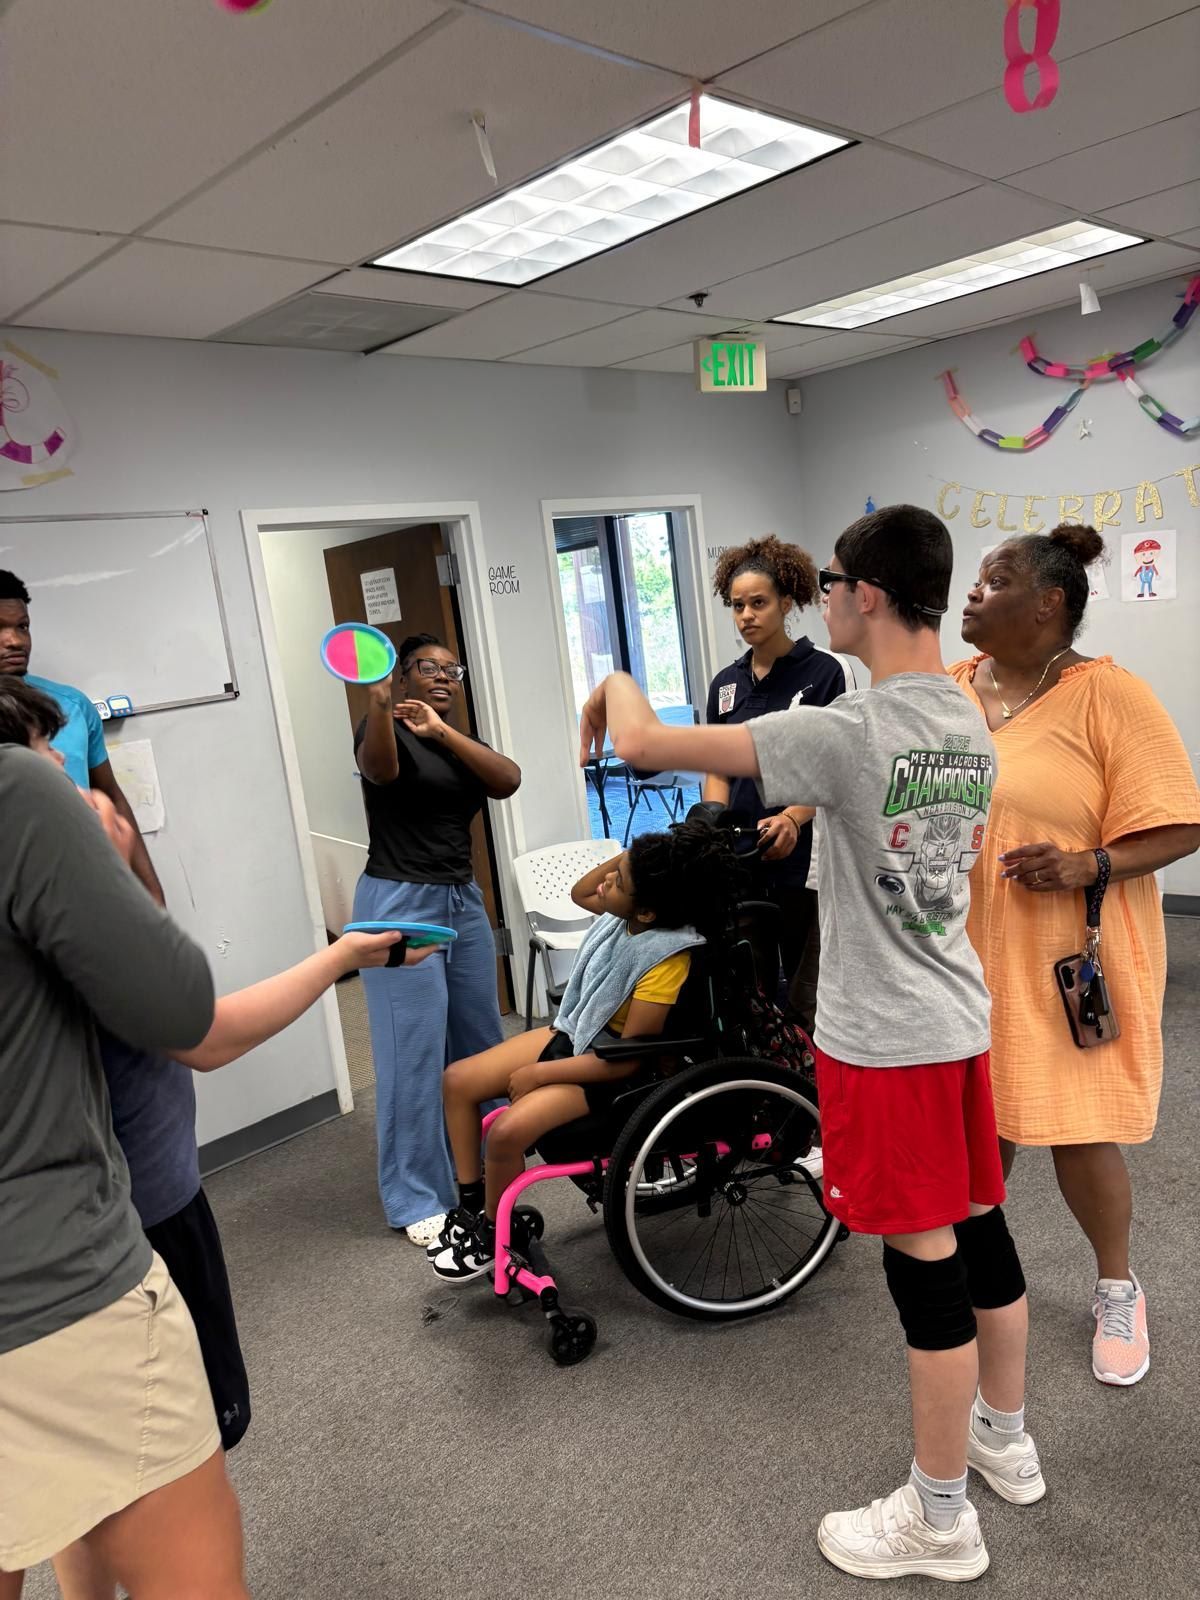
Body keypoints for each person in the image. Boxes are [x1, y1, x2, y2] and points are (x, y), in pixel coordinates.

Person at [580, 506, 1040, 1584]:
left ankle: (939, 1519)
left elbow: (642, 743)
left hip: (887, 1039)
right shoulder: (967, 714)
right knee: (977, 1225)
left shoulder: (848, 729)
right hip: (955, 1020)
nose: (820, 595)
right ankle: (1004, 1440)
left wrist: (611, 680)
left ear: (864, 595)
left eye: (829, 581)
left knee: (922, 1261)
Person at [0, 674, 429, 1600]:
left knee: (77, 1495)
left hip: (113, 1227)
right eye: (50, 763)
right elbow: (203, 1027)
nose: (70, 785)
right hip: (109, 1245)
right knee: (165, 1495)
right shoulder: (28, 826)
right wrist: (343, 954)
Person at [954, 524, 1200, 1386]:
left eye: (995, 580)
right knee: (979, 1126)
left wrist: (1085, 863)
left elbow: (1181, 824)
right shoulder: (951, 688)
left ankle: (1118, 1287)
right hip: (960, 952)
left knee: (1077, 1128)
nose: (973, 592)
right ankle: (977, 1281)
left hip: (1063, 956)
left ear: (1048, 603)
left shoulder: (1108, 696)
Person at [428, 821, 738, 1283]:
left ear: (648, 910)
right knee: (457, 1080)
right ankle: (473, 1205)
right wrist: (641, 856)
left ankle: (495, 1235)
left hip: (613, 1072)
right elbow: (580, 891)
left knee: (506, 1133)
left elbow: (628, 1060)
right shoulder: (626, 916)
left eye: (619, 880)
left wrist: (539, 1075)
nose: (606, 880)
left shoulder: (665, 958)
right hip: (579, 1037)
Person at [353, 632, 522, 1246]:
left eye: (453, 669)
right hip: (398, 902)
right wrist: (380, 705)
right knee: (413, 1053)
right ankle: (415, 1195)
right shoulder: (383, 730)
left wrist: (443, 732)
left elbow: (508, 780)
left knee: (479, 1040)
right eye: (429, 667)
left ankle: (488, 1158)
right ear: (402, 675)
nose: (445, 676)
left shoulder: (455, 738)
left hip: (460, 900)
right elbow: (379, 770)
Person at [704, 535, 857, 1037]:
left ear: (787, 603)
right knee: (750, 991)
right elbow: (717, 768)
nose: (746, 615)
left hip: (803, 863)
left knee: (808, 995)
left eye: (759, 603)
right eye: (737, 606)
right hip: (742, 860)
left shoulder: (825, 672)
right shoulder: (725, 684)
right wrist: (710, 826)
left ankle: (811, 1077)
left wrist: (794, 816)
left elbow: (838, 765)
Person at [0, 566, 164, 902]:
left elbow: (110, 794)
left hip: (89, 888)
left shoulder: (71, 706)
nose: (14, 640)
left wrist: (152, 893)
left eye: (22, 626)